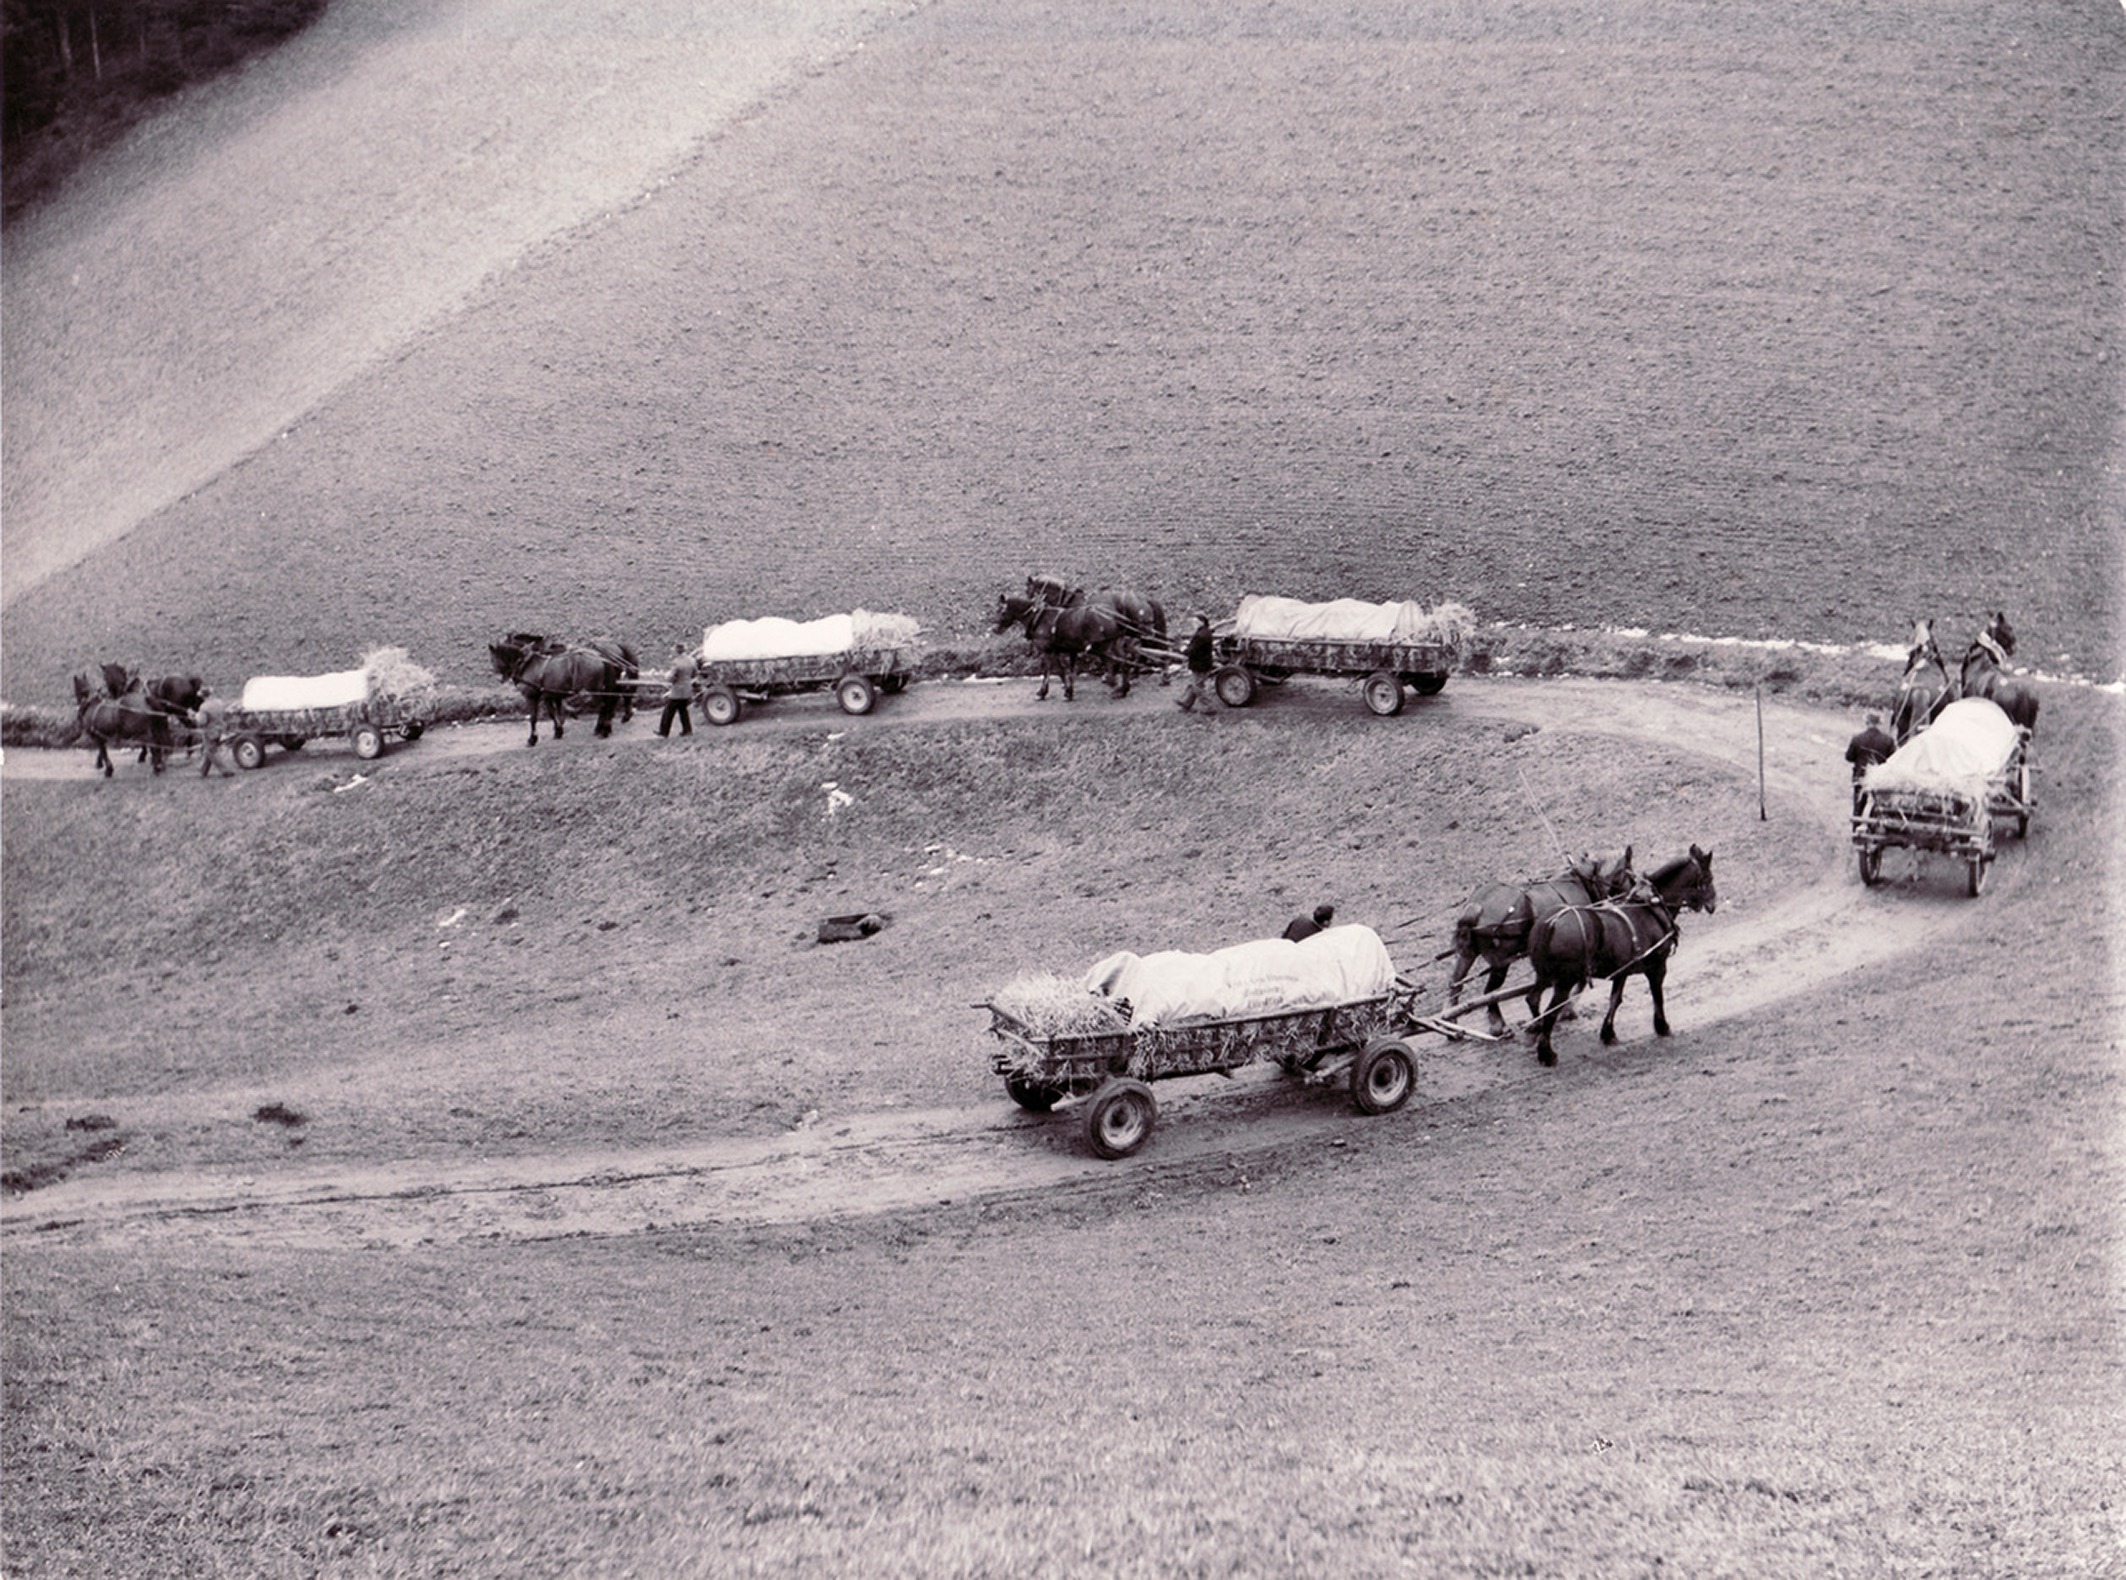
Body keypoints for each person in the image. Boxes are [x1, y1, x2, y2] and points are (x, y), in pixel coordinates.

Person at [1845, 711, 1895, 814]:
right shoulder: (1888, 740)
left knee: (1859, 803)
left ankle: (1856, 825)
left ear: (1866, 722)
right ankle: (1873, 825)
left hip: (1861, 775)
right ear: (1879, 723)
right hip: (1880, 777)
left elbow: (1849, 757)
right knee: (1878, 803)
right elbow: (1893, 759)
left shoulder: (1857, 738)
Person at [1177, 615, 1217, 713]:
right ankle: (1186, 703)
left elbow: (1191, 651)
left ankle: (1209, 707)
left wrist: (1182, 648)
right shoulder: (1206, 632)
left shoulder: (1200, 635)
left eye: (1195, 622)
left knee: (1197, 687)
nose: (1193, 624)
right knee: (1195, 684)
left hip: (1200, 665)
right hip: (1205, 663)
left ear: (1202, 622)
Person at [658, 644, 697, 738]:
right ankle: (687, 730)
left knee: (668, 711)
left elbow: (671, 677)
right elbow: (694, 673)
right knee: (683, 710)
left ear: (677, 651)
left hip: (677, 691)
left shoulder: (676, 662)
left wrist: (666, 676)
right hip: (687, 689)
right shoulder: (692, 661)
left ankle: (664, 732)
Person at [194, 688, 231, 777]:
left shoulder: (204, 707)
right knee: (209, 749)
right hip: (220, 729)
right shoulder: (219, 702)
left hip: (210, 732)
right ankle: (203, 770)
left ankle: (226, 771)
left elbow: (202, 722)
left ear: (202, 696)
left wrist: (195, 716)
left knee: (210, 751)